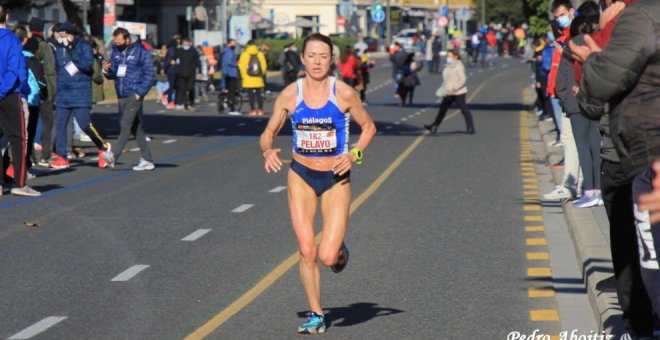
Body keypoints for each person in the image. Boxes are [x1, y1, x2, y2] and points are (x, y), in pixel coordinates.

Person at [259, 33, 376, 334]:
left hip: (336, 178)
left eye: (323, 56)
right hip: (301, 175)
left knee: (326, 256)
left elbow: (368, 128)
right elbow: (269, 131)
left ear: (331, 60)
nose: (317, 62)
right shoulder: (289, 94)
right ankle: (316, 314)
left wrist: (354, 155)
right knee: (307, 250)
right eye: (311, 55)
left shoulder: (344, 94)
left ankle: (338, 251)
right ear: (302, 58)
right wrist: (266, 149)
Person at [573, 1, 658, 338]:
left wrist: (592, 58)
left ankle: (638, 325)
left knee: (633, 251)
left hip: (630, 156)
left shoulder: (630, 23)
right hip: (633, 154)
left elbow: (594, 98)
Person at [49, 22, 111, 170]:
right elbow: (58, 69)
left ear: (71, 35)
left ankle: (102, 146)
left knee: (84, 124)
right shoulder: (59, 48)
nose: (61, 38)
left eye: (64, 35)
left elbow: (87, 65)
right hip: (63, 93)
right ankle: (62, 156)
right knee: (60, 125)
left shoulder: (84, 46)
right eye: (59, 35)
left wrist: (72, 51)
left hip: (80, 92)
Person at [101, 27, 155, 171]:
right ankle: (147, 159)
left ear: (127, 39)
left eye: (119, 42)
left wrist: (140, 92)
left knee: (125, 124)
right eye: (115, 42)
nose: (117, 44)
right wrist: (106, 70)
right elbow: (114, 73)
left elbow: (150, 75)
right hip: (121, 94)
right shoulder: (116, 51)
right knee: (135, 127)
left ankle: (114, 155)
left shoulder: (141, 52)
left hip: (134, 94)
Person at [0, 6, 41, 196]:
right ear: (7, 17)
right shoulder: (12, 40)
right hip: (9, 94)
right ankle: (19, 182)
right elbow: (15, 70)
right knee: (18, 139)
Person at [424, 49, 475, 134]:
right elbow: (446, 80)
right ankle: (434, 126)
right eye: (447, 56)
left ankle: (470, 128)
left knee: (463, 109)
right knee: (442, 109)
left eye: (449, 56)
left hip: (459, 92)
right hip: (448, 92)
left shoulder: (458, 65)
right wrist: (443, 89)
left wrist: (456, 87)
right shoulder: (448, 65)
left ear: (455, 56)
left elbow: (463, 79)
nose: (448, 58)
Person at [28, 17, 56, 167]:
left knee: (30, 124)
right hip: (43, 88)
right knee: (47, 121)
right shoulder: (44, 45)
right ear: (42, 28)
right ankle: (46, 155)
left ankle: (30, 157)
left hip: (29, 89)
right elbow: (50, 71)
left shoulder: (26, 42)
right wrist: (52, 91)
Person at [238, 40, 267, 116]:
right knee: (259, 95)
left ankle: (253, 109)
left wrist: (244, 76)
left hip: (248, 78)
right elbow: (264, 66)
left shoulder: (244, 54)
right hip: (258, 78)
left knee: (250, 95)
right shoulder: (260, 54)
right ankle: (260, 109)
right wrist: (261, 74)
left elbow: (241, 67)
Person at [174, 37, 200, 111]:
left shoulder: (193, 51)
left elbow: (197, 61)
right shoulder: (179, 50)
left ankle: (191, 102)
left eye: (187, 42)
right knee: (182, 88)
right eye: (184, 42)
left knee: (191, 87)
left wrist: (200, 70)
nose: (185, 44)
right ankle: (183, 103)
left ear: (190, 43)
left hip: (191, 72)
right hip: (181, 72)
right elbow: (175, 59)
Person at [220, 39, 240, 115]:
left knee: (229, 91)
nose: (234, 45)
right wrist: (236, 64)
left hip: (229, 73)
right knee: (232, 92)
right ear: (229, 44)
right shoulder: (228, 52)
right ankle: (232, 108)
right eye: (233, 43)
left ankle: (228, 105)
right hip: (231, 74)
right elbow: (227, 62)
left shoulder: (227, 51)